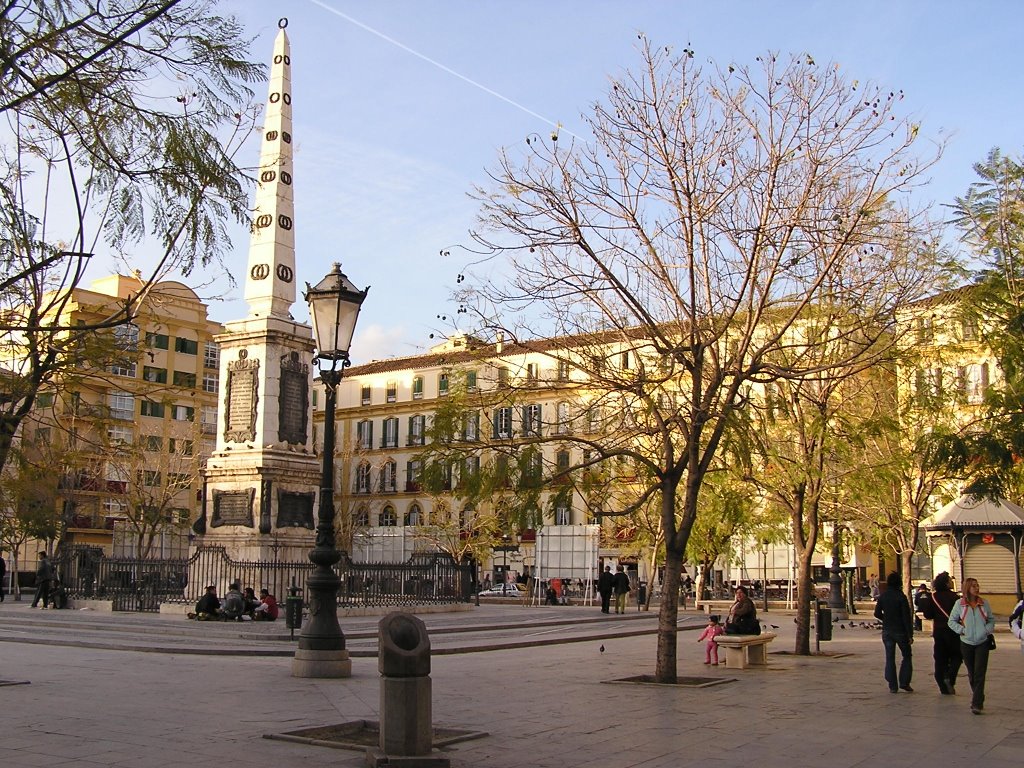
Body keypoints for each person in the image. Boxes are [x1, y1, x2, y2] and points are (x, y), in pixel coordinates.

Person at [948, 577, 996, 715]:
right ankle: (978, 695)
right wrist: (962, 630)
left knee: (980, 672)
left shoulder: (984, 603)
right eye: (973, 586)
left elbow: (991, 620)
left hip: (982, 642)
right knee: (972, 673)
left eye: (977, 585)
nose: (977, 588)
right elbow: (951, 621)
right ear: (967, 588)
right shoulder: (960, 604)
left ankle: (976, 703)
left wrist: (986, 630)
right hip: (966, 642)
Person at [918, 571, 962, 695]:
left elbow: (927, 614)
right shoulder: (954, 597)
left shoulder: (933, 597)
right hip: (953, 631)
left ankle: (942, 685)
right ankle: (950, 677)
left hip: (939, 631)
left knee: (940, 658)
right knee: (956, 656)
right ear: (946, 583)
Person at [874, 572, 914, 693]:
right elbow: (906, 617)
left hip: (887, 630)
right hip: (900, 630)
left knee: (890, 657)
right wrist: (910, 634)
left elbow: (876, 613)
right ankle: (904, 681)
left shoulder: (883, 596)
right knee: (906, 655)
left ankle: (892, 684)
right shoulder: (901, 597)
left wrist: (885, 618)